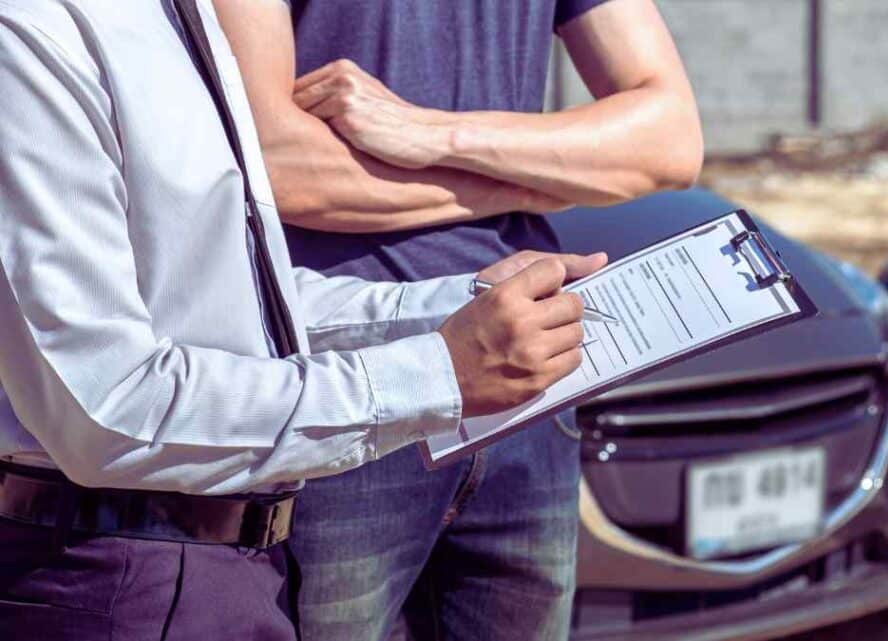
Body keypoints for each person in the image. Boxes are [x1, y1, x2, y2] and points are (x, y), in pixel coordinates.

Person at [0, 1, 604, 639]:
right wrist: (436, 373)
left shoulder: (175, 17)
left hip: (239, 567)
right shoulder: (29, 33)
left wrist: (459, 302)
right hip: (109, 578)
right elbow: (110, 410)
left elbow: (241, 305)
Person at [214, 0, 703, 638]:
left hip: (531, 369)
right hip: (345, 377)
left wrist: (436, 134)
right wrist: (536, 179)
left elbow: (669, 141)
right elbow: (276, 165)